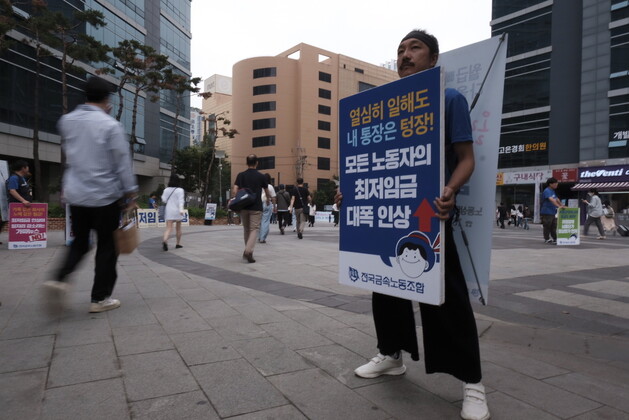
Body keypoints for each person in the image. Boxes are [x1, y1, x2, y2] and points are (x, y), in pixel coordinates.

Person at [353, 29, 489, 420]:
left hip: (429, 213)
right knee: (385, 287)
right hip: (386, 215)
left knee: (446, 299)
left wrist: (448, 190)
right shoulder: (382, 108)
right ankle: (391, 354)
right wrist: (354, 194)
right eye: (400, 50)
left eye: (415, 48)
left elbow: (466, 159)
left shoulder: (449, 98)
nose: (405, 55)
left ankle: (473, 383)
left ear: (433, 59)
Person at [46, 76, 138, 313]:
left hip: (76, 194)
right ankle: (100, 298)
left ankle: (59, 278)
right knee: (107, 246)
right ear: (107, 98)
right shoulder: (110, 126)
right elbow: (122, 163)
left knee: (79, 241)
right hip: (105, 196)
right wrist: (131, 193)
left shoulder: (67, 121)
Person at [232, 154, 270, 263]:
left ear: (246, 162)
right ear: (257, 163)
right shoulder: (261, 176)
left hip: (244, 206)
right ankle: (248, 250)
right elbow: (266, 190)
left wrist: (237, 200)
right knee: (254, 229)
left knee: (246, 229)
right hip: (256, 206)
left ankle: (249, 251)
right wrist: (268, 199)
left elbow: (235, 191)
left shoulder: (241, 175)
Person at [161, 176, 185, 250]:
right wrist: (181, 210)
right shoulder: (180, 190)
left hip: (169, 210)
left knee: (168, 228)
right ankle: (177, 244)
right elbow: (181, 201)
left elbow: (164, 200)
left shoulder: (166, 190)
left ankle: (165, 240)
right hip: (177, 211)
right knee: (178, 228)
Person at [540, 177, 565, 244]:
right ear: (550, 184)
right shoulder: (547, 191)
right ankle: (547, 239)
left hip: (552, 211)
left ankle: (555, 238)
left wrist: (562, 205)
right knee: (547, 225)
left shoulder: (552, 191)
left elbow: (556, 199)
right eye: (555, 183)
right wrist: (559, 206)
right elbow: (551, 200)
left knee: (554, 226)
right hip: (547, 211)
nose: (556, 185)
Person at [258, 173, 276, 243]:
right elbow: (274, 197)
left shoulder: (259, 186)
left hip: (259, 204)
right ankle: (263, 238)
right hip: (267, 203)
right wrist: (274, 206)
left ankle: (259, 236)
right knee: (265, 221)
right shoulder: (270, 186)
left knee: (259, 221)